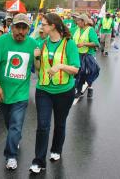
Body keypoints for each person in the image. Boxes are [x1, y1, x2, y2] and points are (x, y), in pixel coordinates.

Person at [29, 13, 80, 174]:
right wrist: (36, 59)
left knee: (60, 124)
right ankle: (39, 161)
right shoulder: (42, 43)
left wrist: (60, 66)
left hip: (64, 91)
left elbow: (76, 69)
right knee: (43, 126)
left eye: (43, 24)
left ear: (52, 26)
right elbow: (37, 70)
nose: (41, 27)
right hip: (43, 90)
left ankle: (56, 149)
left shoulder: (69, 44)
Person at [0, 13, 38, 170]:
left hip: (21, 94)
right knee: (9, 123)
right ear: (12, 27)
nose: (21, 32)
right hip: (3, 93)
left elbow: (39, 68)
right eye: (18, 27)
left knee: (16, 124)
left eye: (25, 28)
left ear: (29, 29)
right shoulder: (1, 41)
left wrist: (38, 58)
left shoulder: (33, 44)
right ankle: (14, 139)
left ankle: (11, 156)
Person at [73, 14, 100, 98]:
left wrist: (84, 44)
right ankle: (79, 90)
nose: (77, 22)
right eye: (77, 20)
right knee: (79, 73)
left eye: (79, 20)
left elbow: (96, 43)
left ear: (84, 22)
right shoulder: (76, 29)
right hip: (78, 55)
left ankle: (90, 88)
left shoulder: (90, 30)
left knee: (88, 73)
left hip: (88, 56)